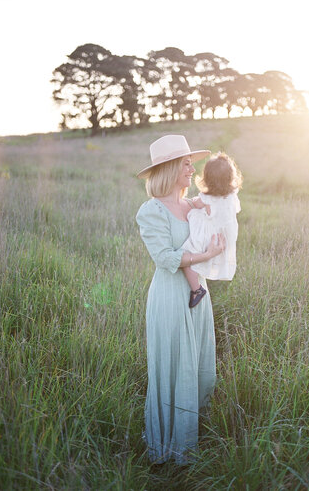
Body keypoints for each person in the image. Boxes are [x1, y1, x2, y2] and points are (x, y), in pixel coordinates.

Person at [135, 134, 225, 465]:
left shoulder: (192, 206)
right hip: (170, 297)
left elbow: (212, 240)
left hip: (198, 295)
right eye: (186, 163)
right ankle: (168, 449)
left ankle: (190, 438)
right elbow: (164, 258)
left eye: (191, 162)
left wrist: (215, 249)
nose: (192, 168)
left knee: (200, 368)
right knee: (172, 367)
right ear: (171, 168)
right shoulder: (151, 211)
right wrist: (204, 253)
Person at [182, 152, 243, 308]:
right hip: (226, 234)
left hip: (211, 234)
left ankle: (197, 289)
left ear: (207, 178)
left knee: (187, 256)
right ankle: (201, 280)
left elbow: (196, 204)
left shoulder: (206, 197)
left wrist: (196, 202)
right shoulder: (232, 195)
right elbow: (236, 210)